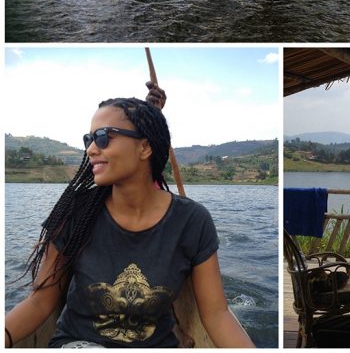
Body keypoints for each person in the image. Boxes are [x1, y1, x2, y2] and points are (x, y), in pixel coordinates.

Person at [4, 84, 253, 348]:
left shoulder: (193, 220)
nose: (90, 149)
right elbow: (39, 301)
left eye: (103, 137)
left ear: (145, 148)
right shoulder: (74, 212)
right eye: (88, 140)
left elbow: (216, 315)